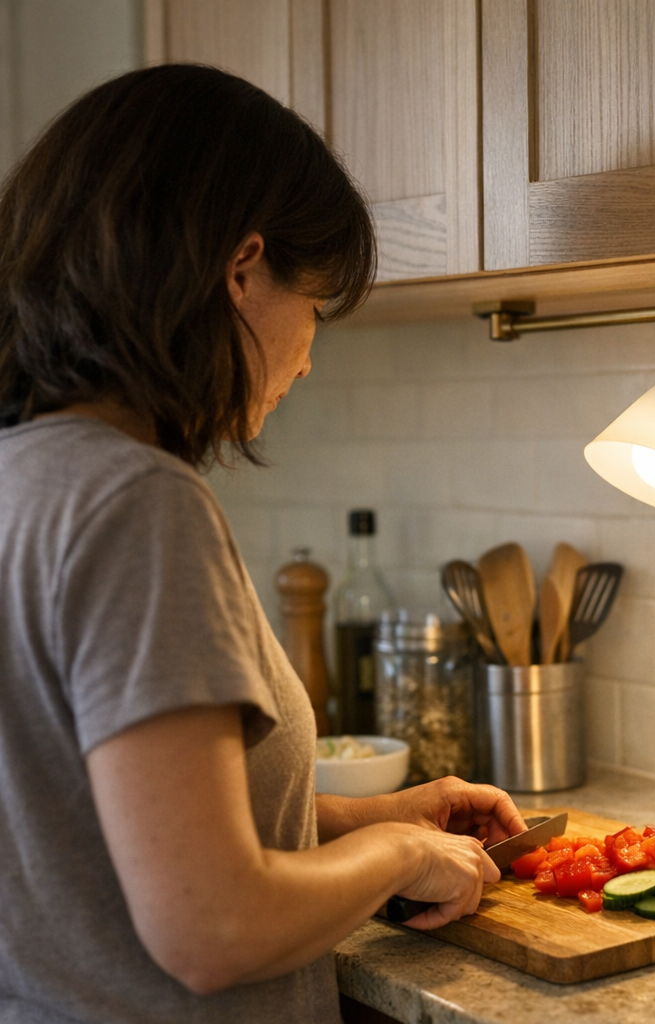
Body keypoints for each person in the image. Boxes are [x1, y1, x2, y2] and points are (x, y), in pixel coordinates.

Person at [0, 64, 526, 1024]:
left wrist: (369, 819)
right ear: (242, 270)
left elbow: (99, 823)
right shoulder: (136, 504)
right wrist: (403, 857)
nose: (310, 353)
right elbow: (213, 926)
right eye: (316, 309)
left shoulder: (25, 474)